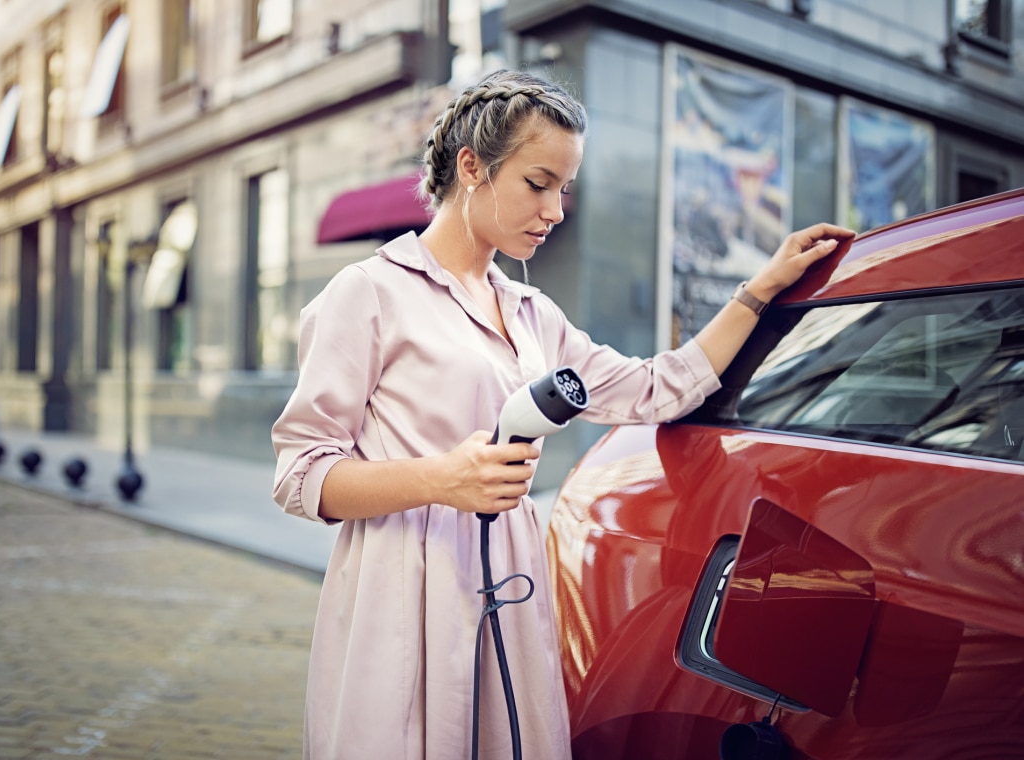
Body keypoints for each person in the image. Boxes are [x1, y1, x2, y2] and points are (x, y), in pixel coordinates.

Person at [272, 68, 854, 759]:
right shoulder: (367, 292)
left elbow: (656, 389)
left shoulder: (532, 313)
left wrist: (760, 290)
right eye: (537, 183)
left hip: (509, 587)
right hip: (402, 592)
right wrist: (440, 480)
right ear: (472, 168)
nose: (554, 210)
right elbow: (300, 476)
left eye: (564, 190)